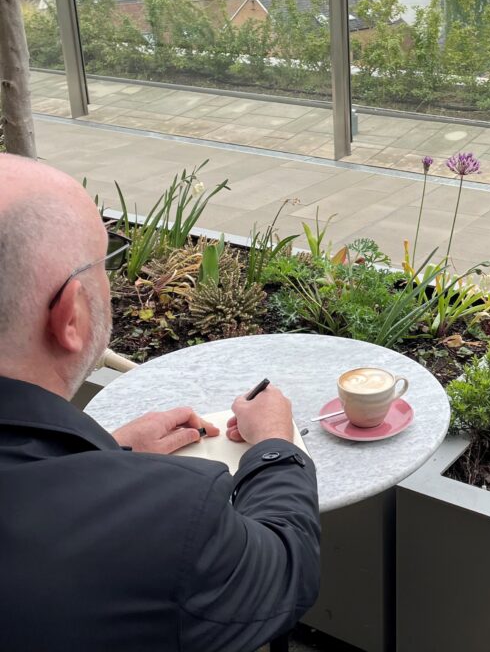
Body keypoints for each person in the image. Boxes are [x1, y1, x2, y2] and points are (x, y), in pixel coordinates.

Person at [0, 154, 320, 652]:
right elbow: (284, 568)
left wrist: (107, 456)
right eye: (105, 264)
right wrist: (276, 443)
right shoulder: (168, 519)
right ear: (70, 316)